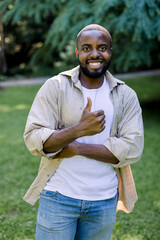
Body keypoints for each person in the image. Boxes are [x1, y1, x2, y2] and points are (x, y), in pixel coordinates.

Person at [23, 24, 144, 240]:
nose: (95, 54)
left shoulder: (126, 96)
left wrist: (77, 147)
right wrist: (79, 129)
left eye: (102, 47)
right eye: (87, 48)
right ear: (78, 53)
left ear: (110, 52)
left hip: (104, 201)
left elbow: (132, 148)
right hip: (58, 197)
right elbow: (34, 140)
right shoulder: (55, 87)